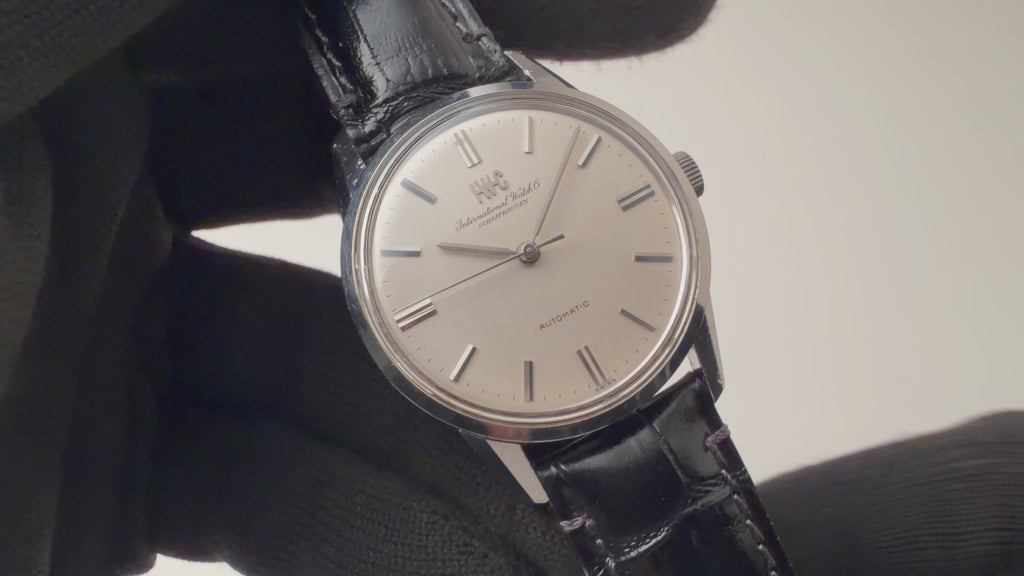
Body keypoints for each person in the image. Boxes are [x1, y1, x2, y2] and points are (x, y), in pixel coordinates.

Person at [1, 0, 1022, 574]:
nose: (523, 250)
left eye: (527, 243)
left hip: (634, 357)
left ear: (673, 179)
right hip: (542, 396)